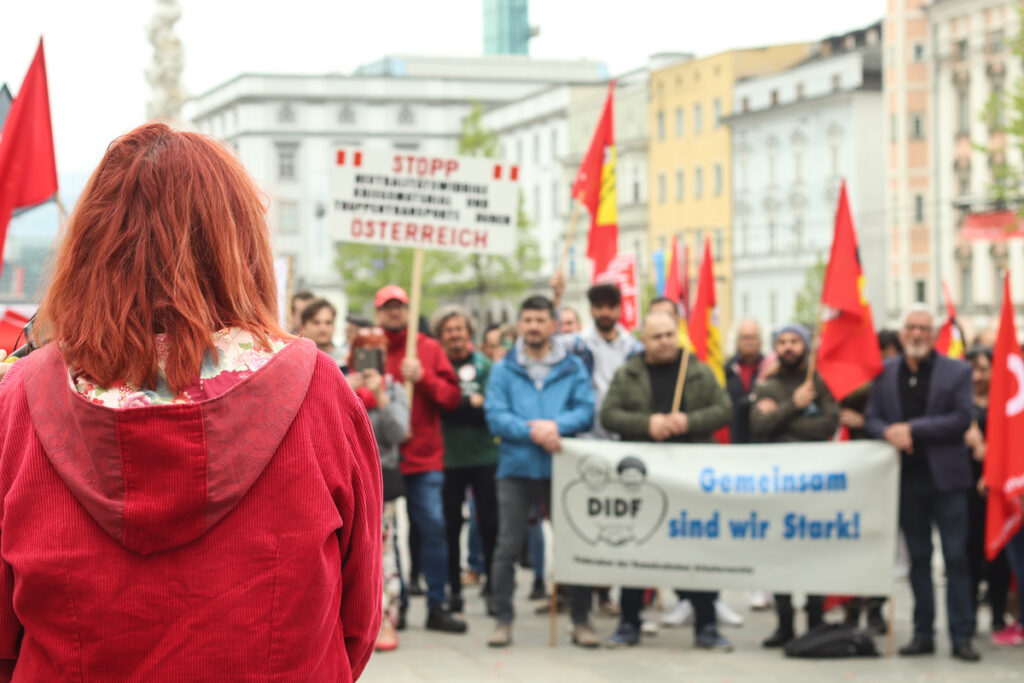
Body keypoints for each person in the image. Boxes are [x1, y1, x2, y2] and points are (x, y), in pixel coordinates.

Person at [0, 123, 382, 680]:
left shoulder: (18, 399)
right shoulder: (318, 388)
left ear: (90, 245)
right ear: (239, 244)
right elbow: (358, 617)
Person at [600, 311, 735, 651]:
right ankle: (629, 620)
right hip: (643, 478)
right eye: (657, 336)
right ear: (644, 340)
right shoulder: (629, 373)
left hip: (690, 475)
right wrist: (648, 424)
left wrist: (688, 421)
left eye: (670, 335)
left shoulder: (698, 371)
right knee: (637, 548)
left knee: (697, 550)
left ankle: (706, 624)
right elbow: (609, 414)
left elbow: (724, 409)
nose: (665, 342)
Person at [864, 305, 980, 662]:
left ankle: (962, 635)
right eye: (912, 327)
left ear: (934, 334)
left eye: (924, 328)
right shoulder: (884, 372)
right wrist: (887, 432)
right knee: (917, 559)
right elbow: (871, 417)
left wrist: (913, 429)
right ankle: (923, 632)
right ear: (902, 334)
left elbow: (962, 418)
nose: (917, 334)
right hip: (906, 481)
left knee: (956, 559)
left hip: (948, 481)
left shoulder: (957, 371)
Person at [484, 295, 597, 648]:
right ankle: (502, 619)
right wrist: (532, 430)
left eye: (540, 320)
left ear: (552, 324)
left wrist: (555, 426)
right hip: (515, 467)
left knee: (573, 541)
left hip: (561, 466)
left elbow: (586, 410)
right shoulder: (503, 368)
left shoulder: (572, 366)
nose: (533, 326)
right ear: (520, 324)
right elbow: (495, 414)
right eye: (528, 320)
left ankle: (581, 620)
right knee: (508, 545)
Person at [375, 285, 467, 633]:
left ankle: (437, 604)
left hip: (426, 457)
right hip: (385, 458)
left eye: (400, 307)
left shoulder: (428, 349)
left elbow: (453, 396)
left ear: (409, 311)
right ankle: (393, 605)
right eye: (388, 308)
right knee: (388, 535)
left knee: (432, 527)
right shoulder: (371, 350)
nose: (394, 313)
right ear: (379, 312)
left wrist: (424, 378)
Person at [749, 322, 839, 648]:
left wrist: (784, 421)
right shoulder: (769, 385)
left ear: (804, 345)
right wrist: (795, 406)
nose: (788, 347)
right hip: (779, 479)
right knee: (780, 550)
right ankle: (784, 620)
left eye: (794, 341)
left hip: (813, 479)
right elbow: (760, 425)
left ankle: (815, 616)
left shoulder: (817, 382)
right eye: (782, 342)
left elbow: (829, 423)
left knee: (813, 549)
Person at [431, 306, 500, 614]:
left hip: (484, 455)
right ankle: (453, 589)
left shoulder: (485, 366)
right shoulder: (437, 366)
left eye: (460, 328)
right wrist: (466, 403)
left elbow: (487, 409)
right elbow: (440, 405)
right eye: (449, 329)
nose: (455, 334)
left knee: (489, 524)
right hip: (448, 457)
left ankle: (493, 587)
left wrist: (458, 406)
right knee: (449, 526)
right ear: (441, 336)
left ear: (469, 332)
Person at [345, 327, 409, 652]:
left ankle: (386, 618)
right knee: (348, 550)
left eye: (376, 351)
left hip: (384, 479)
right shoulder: (338, 380)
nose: (370, 357)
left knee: (384, 551)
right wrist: (346, 389)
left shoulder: (393, 387)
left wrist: (381, 396)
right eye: (364, 350)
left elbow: (400, 431)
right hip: (346, 477)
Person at [963, 346, 1012, 640]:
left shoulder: (1006, 403)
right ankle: (966, 616)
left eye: (983, 369)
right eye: (972, 370)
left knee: (999, 555)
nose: (976, 376)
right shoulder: (959, 404)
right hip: (965, 486)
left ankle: (997, 615)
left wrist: (992, 456)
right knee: (967, 553)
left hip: (997, 488)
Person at [301, 298, 346, 365]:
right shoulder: (297, 360)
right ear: (303, 328)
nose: (323, 328)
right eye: (316, 322)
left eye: (328, 322)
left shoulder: (347, 359)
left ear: (334, 326)